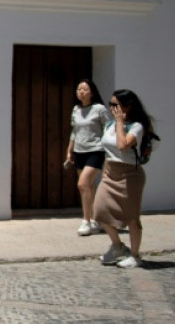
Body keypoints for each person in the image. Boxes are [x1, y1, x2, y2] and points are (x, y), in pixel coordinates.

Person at [93, 89, 156, 269]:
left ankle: (135, 256)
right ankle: (118, 247)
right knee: (99, 211)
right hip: (110, 172)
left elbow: (122, 145)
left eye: (115, 105)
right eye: (110, 104)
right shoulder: (109, 124)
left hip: (130, 175)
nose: (111, 108)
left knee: (131, 217)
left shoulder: (136, 126)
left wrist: (120, 123)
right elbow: (106, 147)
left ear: (127, 107)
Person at [64, 79, 111, 236]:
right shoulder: (76, 109)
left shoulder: (99, 109)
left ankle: (86, 221)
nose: (81, 92)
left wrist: (109, 150)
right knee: (89, 187)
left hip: (95, 150)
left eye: (84, 89)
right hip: (79, 151)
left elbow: (108, 129)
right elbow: (74, 131)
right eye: (78, 89)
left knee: (82, 184)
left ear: (92, 92)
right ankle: (95, 220)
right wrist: (69, 150)